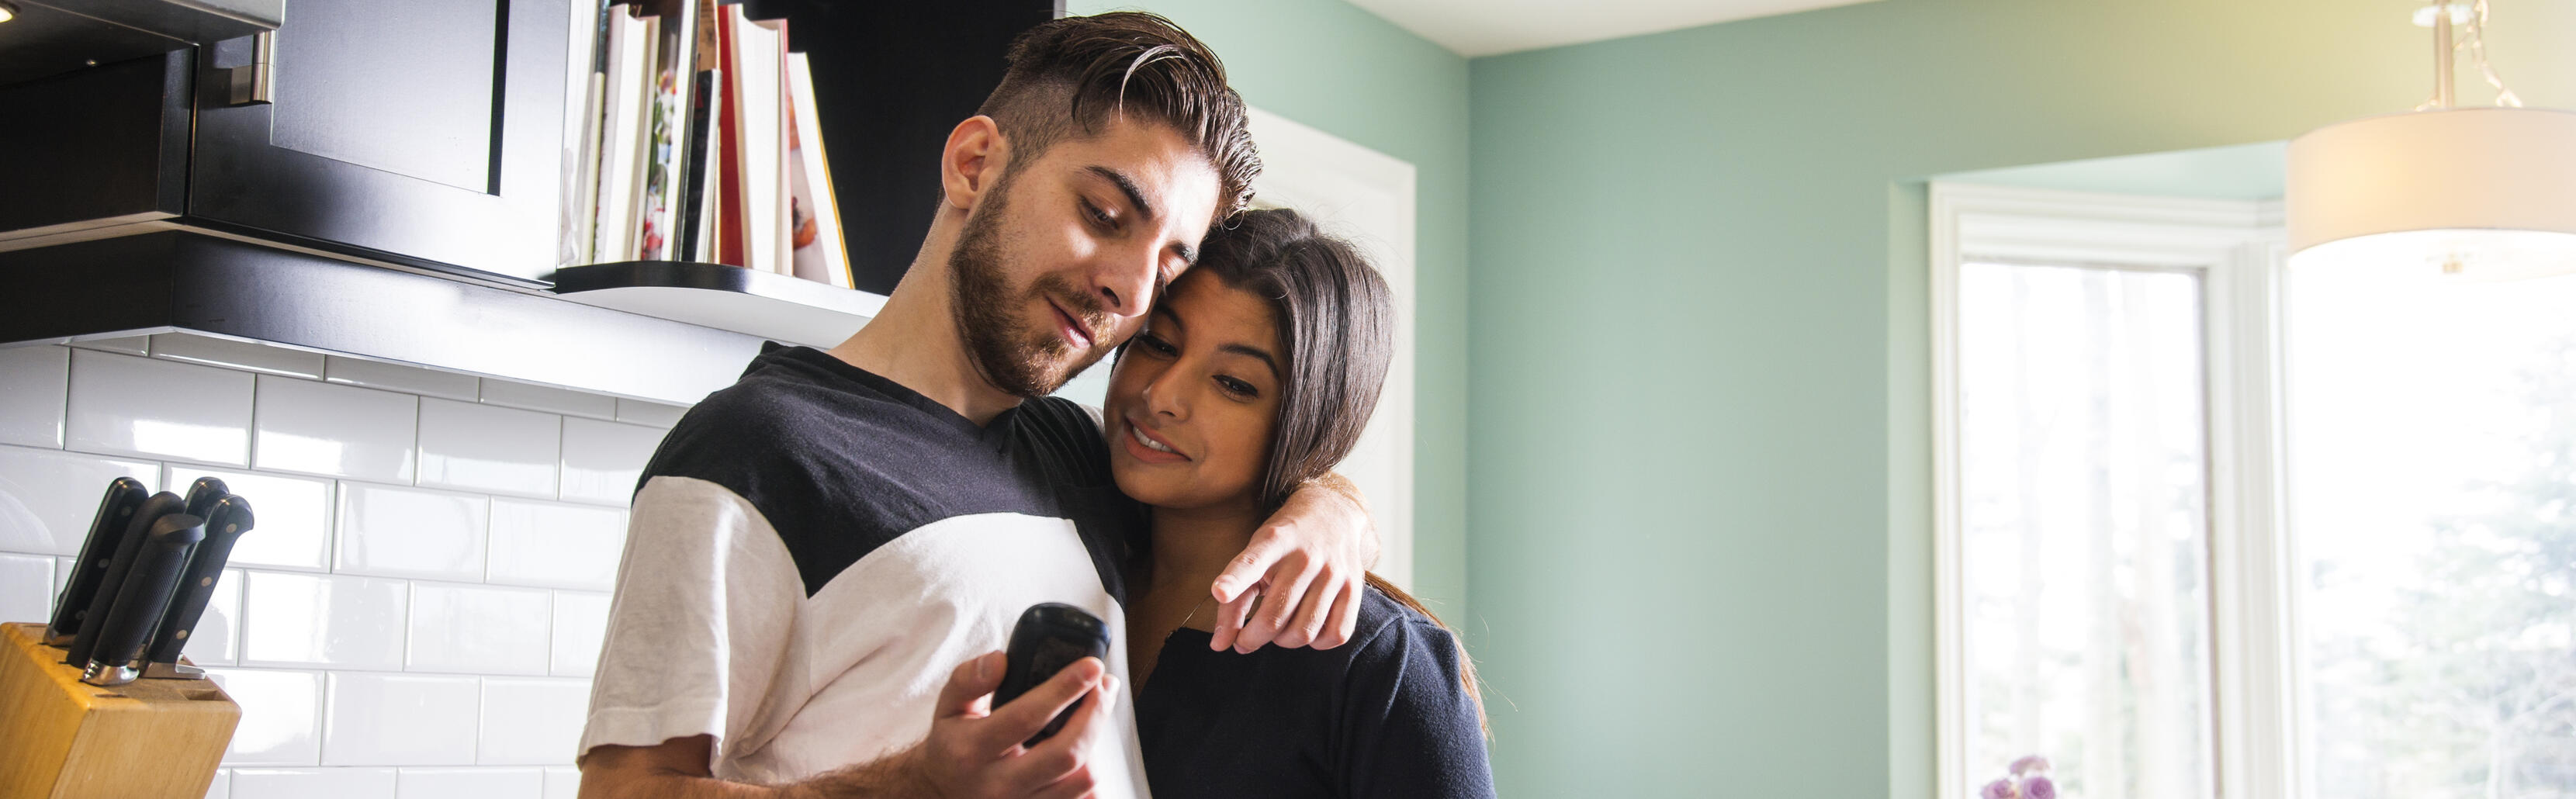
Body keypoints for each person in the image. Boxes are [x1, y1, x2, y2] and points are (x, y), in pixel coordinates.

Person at [576, 13, 1379, 799]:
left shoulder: (1074, 453)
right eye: (1103, 215)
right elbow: (621, 790)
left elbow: (1218, 501)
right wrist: (913, 786)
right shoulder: (754, 452)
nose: (1131, 291)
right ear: (972, 164)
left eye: (1167, 265)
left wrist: (1333, 508)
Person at [1110, 209, 1494, 798]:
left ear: (1308, 422)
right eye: (1158, 343)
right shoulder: (1068, 537)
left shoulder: (1381, 664)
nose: (1161, 395)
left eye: (1234, 383)